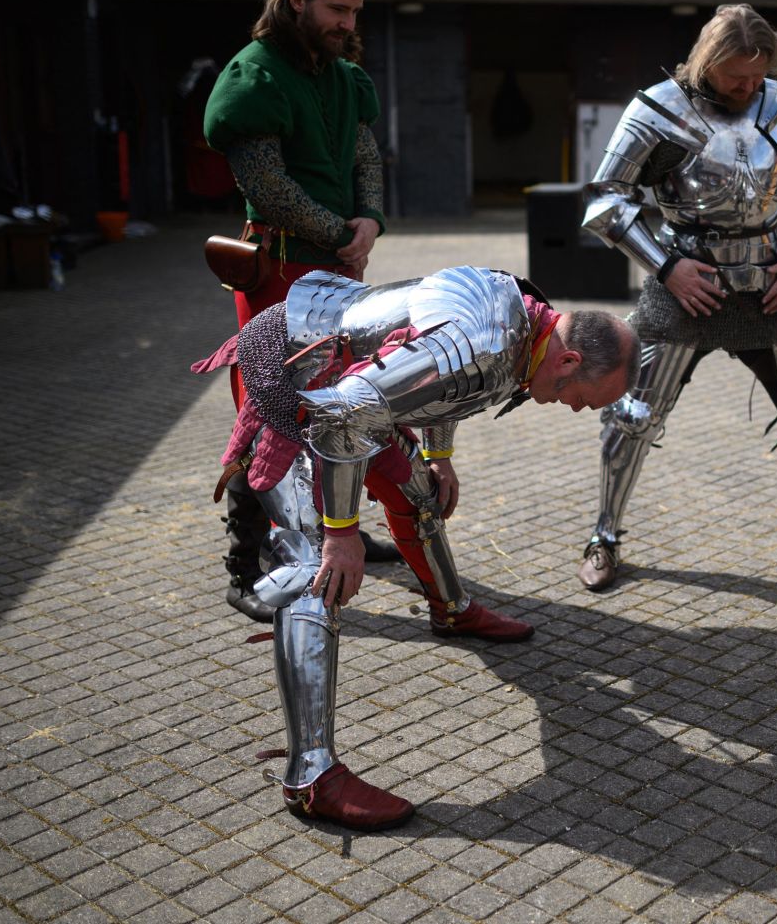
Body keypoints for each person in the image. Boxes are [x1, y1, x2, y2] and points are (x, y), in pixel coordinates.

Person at [193, 265, 639, 830]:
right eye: (582, 398)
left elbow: (440, 389)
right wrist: (341, 532)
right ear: (570, 361)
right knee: (315, 570)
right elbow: (341, 413)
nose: (575, 408)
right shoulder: (489, 338)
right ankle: (310, 775)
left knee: (421, 496)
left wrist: (439, 456)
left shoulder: (529, 329)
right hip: (296, 380)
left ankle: (451, 611)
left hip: (350, 387)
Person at [576, 4, 777, 592]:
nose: (749, 87)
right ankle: (604, 536)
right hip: (685, 285)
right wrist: (666, 268)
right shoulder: (658, 109)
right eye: (737, 76)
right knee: (633, 416)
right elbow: (607, 201)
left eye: (758, 76)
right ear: (708, 63)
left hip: (769, 281)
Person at [203, 0, 398, 619]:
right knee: (269, 410)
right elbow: (268, 187)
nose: (349, 23)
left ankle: (334, 527)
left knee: (343, 402)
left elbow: (366, 156)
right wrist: (342, 233)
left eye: (356, 10)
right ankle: (242, 561)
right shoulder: (253, 77)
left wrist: (368, 218)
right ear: (297, 2)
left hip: (337, 266)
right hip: (279, 272)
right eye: (336, 9)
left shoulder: (345, 77)